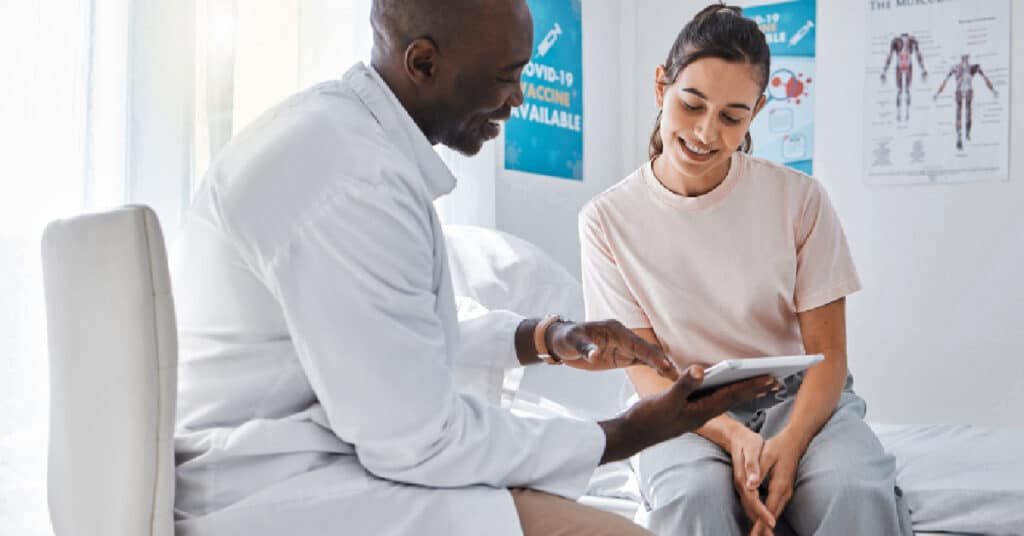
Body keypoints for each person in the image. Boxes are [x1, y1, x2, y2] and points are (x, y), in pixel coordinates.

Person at [170, 1, 775, 535]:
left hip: (320, 455)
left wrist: (546, 338)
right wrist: (626, 432)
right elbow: (417, 440)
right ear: (424, 63)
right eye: (505, 78)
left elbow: (394, 331)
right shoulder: (349, 180)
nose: (517, 99)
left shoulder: (348, 142)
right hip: (272, 487)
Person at [579, 5, 913, 535]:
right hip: (681, 409)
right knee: (693, 497)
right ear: (661, 86)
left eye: (732, 117)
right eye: (691, 105)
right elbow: (643, 371)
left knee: (849, 486)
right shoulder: (605, 220)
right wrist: (734, 438)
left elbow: (829, 357)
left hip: (798, 399)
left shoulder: (799, 200)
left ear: (756, 112)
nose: (706, 132)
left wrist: (789, 444)